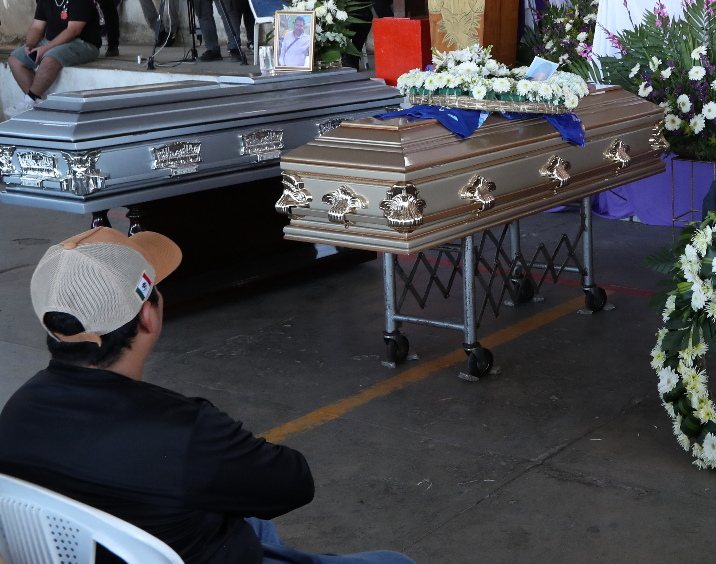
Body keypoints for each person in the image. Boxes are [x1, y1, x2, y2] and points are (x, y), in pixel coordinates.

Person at [0, 227, 416, 564]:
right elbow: (292, 482)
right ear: (149, 313)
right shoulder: (185, 432)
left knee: (253, 522)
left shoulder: (16, 411)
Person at [5, 0, 102, 117]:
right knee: (15, 60)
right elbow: (37, 27)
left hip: (83, 44)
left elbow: (73, 31)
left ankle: (30, 100)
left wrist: (44, 48)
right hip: (52, 42)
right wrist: (30, 44)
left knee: (49, 58)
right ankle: (35, 102)